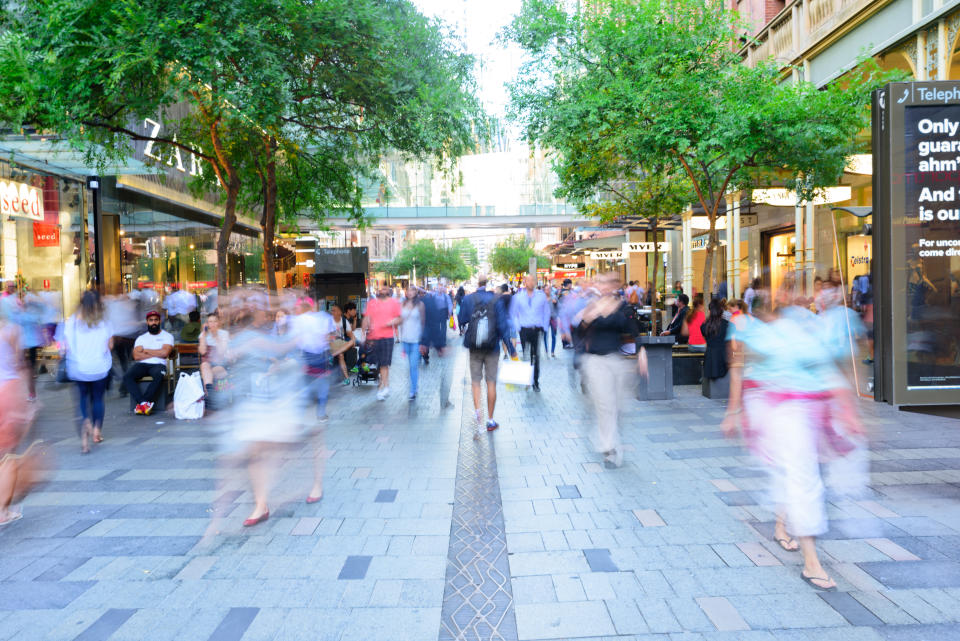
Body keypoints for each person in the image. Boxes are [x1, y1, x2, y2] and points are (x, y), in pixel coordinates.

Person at [576, 273, 644, 468]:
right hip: (596, 362)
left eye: (608, 283)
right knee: (605, 406)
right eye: (601, 283)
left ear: (616, 285)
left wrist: (643, 352)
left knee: (618, 407)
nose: (604, 286)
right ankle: (610, 449)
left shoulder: (623, 307)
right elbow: (579, 334)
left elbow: (634, 330)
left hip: (616, 361)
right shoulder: (592, 306)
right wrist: (586, 320)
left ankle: (608, 438)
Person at [458, 274, 516, 436]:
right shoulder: (496, 299)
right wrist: (511, 349)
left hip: (475, 347)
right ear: (488, 284)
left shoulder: (469, 299)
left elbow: (462, 319)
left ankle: (478, 414)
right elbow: (503, 326)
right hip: (492, 347)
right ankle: (490, 420)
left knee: (476, 382)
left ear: (477, 283)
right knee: (491, 383)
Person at [60, 291, 114, 452]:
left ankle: (86, 424)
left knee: (83, 398)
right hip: (99, 367)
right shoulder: (104, 322)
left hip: (79, 368)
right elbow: (109, 346)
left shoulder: (72, 322)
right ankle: (97, 430)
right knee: (98, 398)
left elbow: (66, 346)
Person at [0, 310, 32, 523]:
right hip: (6, 391)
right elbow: (19, 364)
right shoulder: (11, 330)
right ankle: (3, 511)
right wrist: (29, 399)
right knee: (8, 457)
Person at [123, 310, 174, 416]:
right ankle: (143, 403)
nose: (153, 322)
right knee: (128, 376)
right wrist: (157, 352)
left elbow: (164, 353)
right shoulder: (141, 338)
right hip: (142, 364)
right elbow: (136, 356)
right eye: (151, 320)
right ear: (147, 322)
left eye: (156, 320)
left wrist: (145, 350)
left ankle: (143, 403)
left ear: (159, 321)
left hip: (159, 364)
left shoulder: (167, 336)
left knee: (159, 375)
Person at [511, 275, 551, 392]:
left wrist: (544, 327)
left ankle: (535, 382)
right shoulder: (518, 297)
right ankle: (527, 379)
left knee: (536, 356)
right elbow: (513, 314)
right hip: (524, 330)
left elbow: (546, 312)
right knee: (526, 355)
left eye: (533, 280)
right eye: (528, 280)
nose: (531, 282)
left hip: (536, 329)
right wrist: (518, 327)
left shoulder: (541, 296)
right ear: (524, 282)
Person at [362, 285, 402, 401]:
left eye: (384, 289)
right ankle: (383, 388)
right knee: (378, 364)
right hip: (373, 338)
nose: (381, 290)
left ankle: (384, 388)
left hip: (387, 338)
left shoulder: (394, 303)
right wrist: (363, 333)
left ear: (389, 291)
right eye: (380, 289)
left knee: (384, 364)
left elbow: (399, 319)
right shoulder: (372, 303)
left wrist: (391, 322)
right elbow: (366, 318)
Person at [420, 285, 453, 408]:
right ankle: (444, 401)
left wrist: (439, 344)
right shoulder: (428, 301)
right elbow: (428, 324)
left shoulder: (430, 301)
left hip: (426, 338)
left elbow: (429, 324)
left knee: (442, 327)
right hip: (420, 340)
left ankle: (444, 401)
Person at [399, 286, 425, 401]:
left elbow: (423, 323)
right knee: (410, 365)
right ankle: (415, 386)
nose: (410, 292)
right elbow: (400, 321)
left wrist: (423, 342)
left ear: (416, 292)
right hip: (405, 340)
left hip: (416, 341)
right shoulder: (403, 304)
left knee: (413, 366)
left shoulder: (420, 305)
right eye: (408, 290)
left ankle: (413, 390)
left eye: (412, 290)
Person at [199, 311, 229, 399]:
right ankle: (209, 391)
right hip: (207, 364)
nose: (212, 324)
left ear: (218, 323)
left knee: (208, 374)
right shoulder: (203, 335)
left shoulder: (224, 334)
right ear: (207, 324)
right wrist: (204, 334)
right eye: (210, 322)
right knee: (204, 365)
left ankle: (208, 393)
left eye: (215, 321)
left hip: (220, 364)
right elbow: (202, 352)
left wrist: (216, 337)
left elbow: (221, 352)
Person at [702, 297, 730, 384]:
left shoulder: (704, 326)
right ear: (721, 310)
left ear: (709, 311)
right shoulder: (727, 325)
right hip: (724, 360)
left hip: (709, 360)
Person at [329, 304, 357, 385]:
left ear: (340, 312)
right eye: (332, 310)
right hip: (332, 342)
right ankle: (347, 378)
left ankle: (333, 355)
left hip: (341, 342)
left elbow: (350, 334)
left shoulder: (344, 321)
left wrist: (353, 340)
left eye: (335, 310)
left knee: (352, 341)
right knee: (341, 355)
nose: (332, 312)